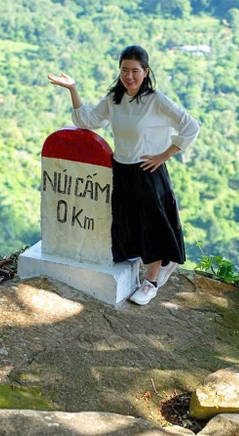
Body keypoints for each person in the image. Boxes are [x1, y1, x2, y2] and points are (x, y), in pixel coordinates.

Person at [49, 45, 200, 305]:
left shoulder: (156, 100)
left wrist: (164, 155)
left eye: (135, 71)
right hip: (121, 170)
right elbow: (88, 120)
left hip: (147, 172)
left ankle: (151, 282)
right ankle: (161, 265)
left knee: (150, 227)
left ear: (146, 71)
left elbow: (191, 126)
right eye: (124, 70)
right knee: (128, 224)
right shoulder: (115, 99)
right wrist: (73, 89)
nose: (129, 76)